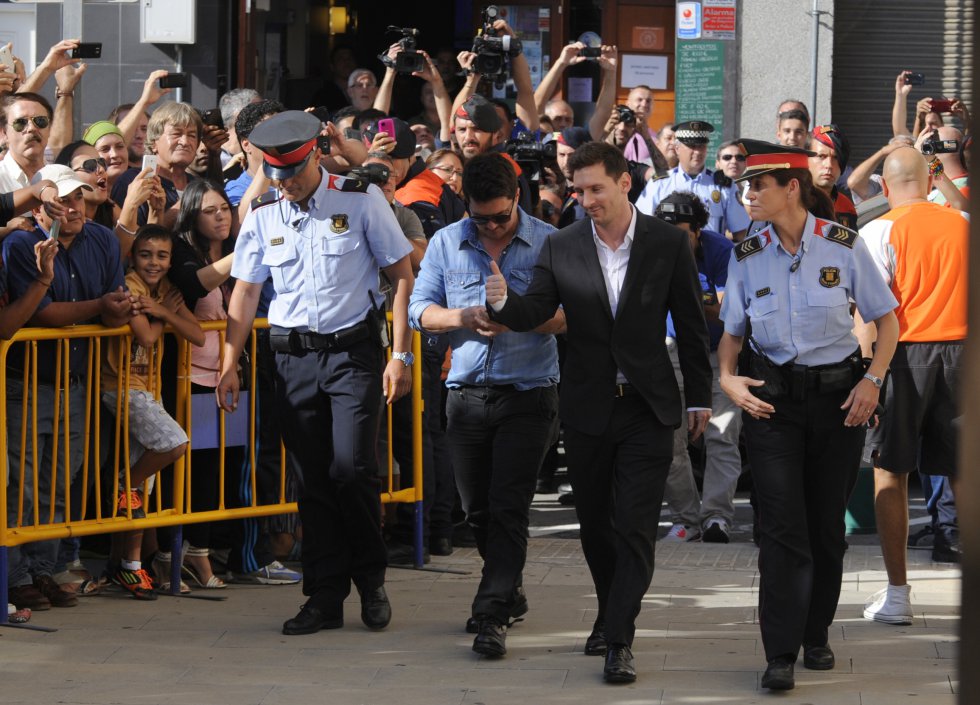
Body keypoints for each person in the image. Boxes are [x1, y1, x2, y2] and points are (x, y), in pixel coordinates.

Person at [487, 142, 712, 684]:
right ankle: (612, 613)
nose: (586, 199)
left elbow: (691, 321)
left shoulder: (665, 243)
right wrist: (502, 303)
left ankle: (619, 638)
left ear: (624, 183)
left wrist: (699, 397)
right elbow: (537, 310)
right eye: (578, 190)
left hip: (647, 404)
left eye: (595, 188)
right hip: (587, 406)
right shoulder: (561, 246)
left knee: (635, 525)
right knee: (596, 527)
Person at [215, 110, 414, 635]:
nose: (287, 188)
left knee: (352, 470)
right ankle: (325, 595)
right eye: (276, 178)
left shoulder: (359, 197)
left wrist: (401, 355)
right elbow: (246, 290)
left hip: (352, 353)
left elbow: (401, 275)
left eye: (295, 176)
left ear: (315, 157)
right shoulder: (262, 211)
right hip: (291, 357)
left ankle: (370, 580)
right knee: (313, 481)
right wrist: (231, 362)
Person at [716, 139, 899, 691]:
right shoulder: (746, 253)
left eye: (758, 185)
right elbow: (731, 334)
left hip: (838, 401)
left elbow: (887, 322)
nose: (747, 194)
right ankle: (780, 651)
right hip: (772, 403)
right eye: (745, 184)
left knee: (825, 528)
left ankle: (815, 633)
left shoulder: (843, 245)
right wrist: (727, 378)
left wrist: (872, 381)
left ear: (791, 187)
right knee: (780, 528)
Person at [409, 153, 563, 658]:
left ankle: (491, 612)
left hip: (529, 391)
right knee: (476, 511)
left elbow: (569, 315)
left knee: (508, 506)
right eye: (482, 218)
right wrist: (463, 314)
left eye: (501, 216)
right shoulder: (448, 241)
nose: (493, 226)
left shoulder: (548, 242)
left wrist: (516, 316)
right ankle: (509, 587)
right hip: (467, 393)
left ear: (517, 198)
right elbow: (419, 311)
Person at [4, 164, 132, 612]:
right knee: (21, 482)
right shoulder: (23, 244)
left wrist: (116, 308)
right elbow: (39, 314)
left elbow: (113, 302)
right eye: (64, 198)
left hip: (77, 381)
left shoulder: (99, 239)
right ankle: (17, 576)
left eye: (81, 197)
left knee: (59, 479)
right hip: (27, 381)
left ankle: (44, 569)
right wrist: (100, 306)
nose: (74, 206)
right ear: (43, 202)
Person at [858, 147, 967, 625]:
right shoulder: (964, 223)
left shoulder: (878, 230)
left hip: (902, 355)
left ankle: (898, 595)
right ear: (928, 180)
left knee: (891, 472)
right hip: (964, 356)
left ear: (884, 187)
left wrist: (867, 374)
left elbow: (870, 314)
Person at [100, 224, 204, 599]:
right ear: (133, 256)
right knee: (174, 442)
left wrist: (162, 310)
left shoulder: (167, 293)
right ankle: (122, 487)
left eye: (161, 256)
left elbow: (198, 335)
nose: (154, 262)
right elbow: (145, 336)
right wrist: (166, 316)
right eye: (146, 254)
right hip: (122, 387)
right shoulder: (128, 285)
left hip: (151, 390)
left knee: (143, 489)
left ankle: (129, 568)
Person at [653, 191, 739, 544]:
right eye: (665, 230)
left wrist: (684, 296)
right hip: (670, 349)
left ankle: (717, 516)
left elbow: (725, 310)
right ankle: (686, 518)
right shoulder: (650, 248)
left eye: (681, 232)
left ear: (699, 231)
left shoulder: (721, 251)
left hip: (718, 351)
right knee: (670, 440)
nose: (672, 239)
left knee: (723, 435)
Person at [636, 121, 750, 240]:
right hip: (670, 254)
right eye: (692, 146)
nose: (697, 152)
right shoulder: (660, 183)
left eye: (701, 146)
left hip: (710, 255)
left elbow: (741, 232)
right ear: (677, 148)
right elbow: (642, 224)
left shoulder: (723, 185)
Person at [808, 124, 858, 230]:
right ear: (806, 160)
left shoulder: (846, 206)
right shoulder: (792, 202)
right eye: (821, 156)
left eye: (836, 157)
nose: (829, 165)